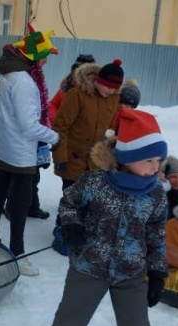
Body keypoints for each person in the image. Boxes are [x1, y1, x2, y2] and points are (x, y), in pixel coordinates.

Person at [34, 108, 168, 326]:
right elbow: (68, 203)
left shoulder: (155, 194)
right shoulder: (96, 181)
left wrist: (159, 272)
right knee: (70, 321)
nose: (155, 167)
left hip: (130, 274)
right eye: (149, 160)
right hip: (88, 266)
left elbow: (156, 235)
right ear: (126, 158)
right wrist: (72, 225)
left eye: (158, 161)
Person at [0, 25, 60, 277]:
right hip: (19, 152)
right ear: (35, 58)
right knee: (19, 204)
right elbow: (29, 126)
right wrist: (54, 137)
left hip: (5, 146)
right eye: (45, 56)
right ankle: (17, 253)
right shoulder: (24, 82)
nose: (47, 60)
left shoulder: (10, 75)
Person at [50, 59, 123, 255]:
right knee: (70, 200)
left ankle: (83, 234)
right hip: (73, 159)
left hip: (96, 162)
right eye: (107, 86)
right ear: (98, 80)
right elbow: (61, 126)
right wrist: (60, 157)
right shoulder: (77, 95)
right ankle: (63, 233)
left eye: (114, 88)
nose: (110, 90)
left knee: (90, 201)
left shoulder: (115, 99)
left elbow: (119, 126)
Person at [48, 53, 96, 121]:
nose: (76, 75)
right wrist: (55, 119)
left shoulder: (96, 95)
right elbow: (53, 104)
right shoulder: (65, 89)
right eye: (75, 71)